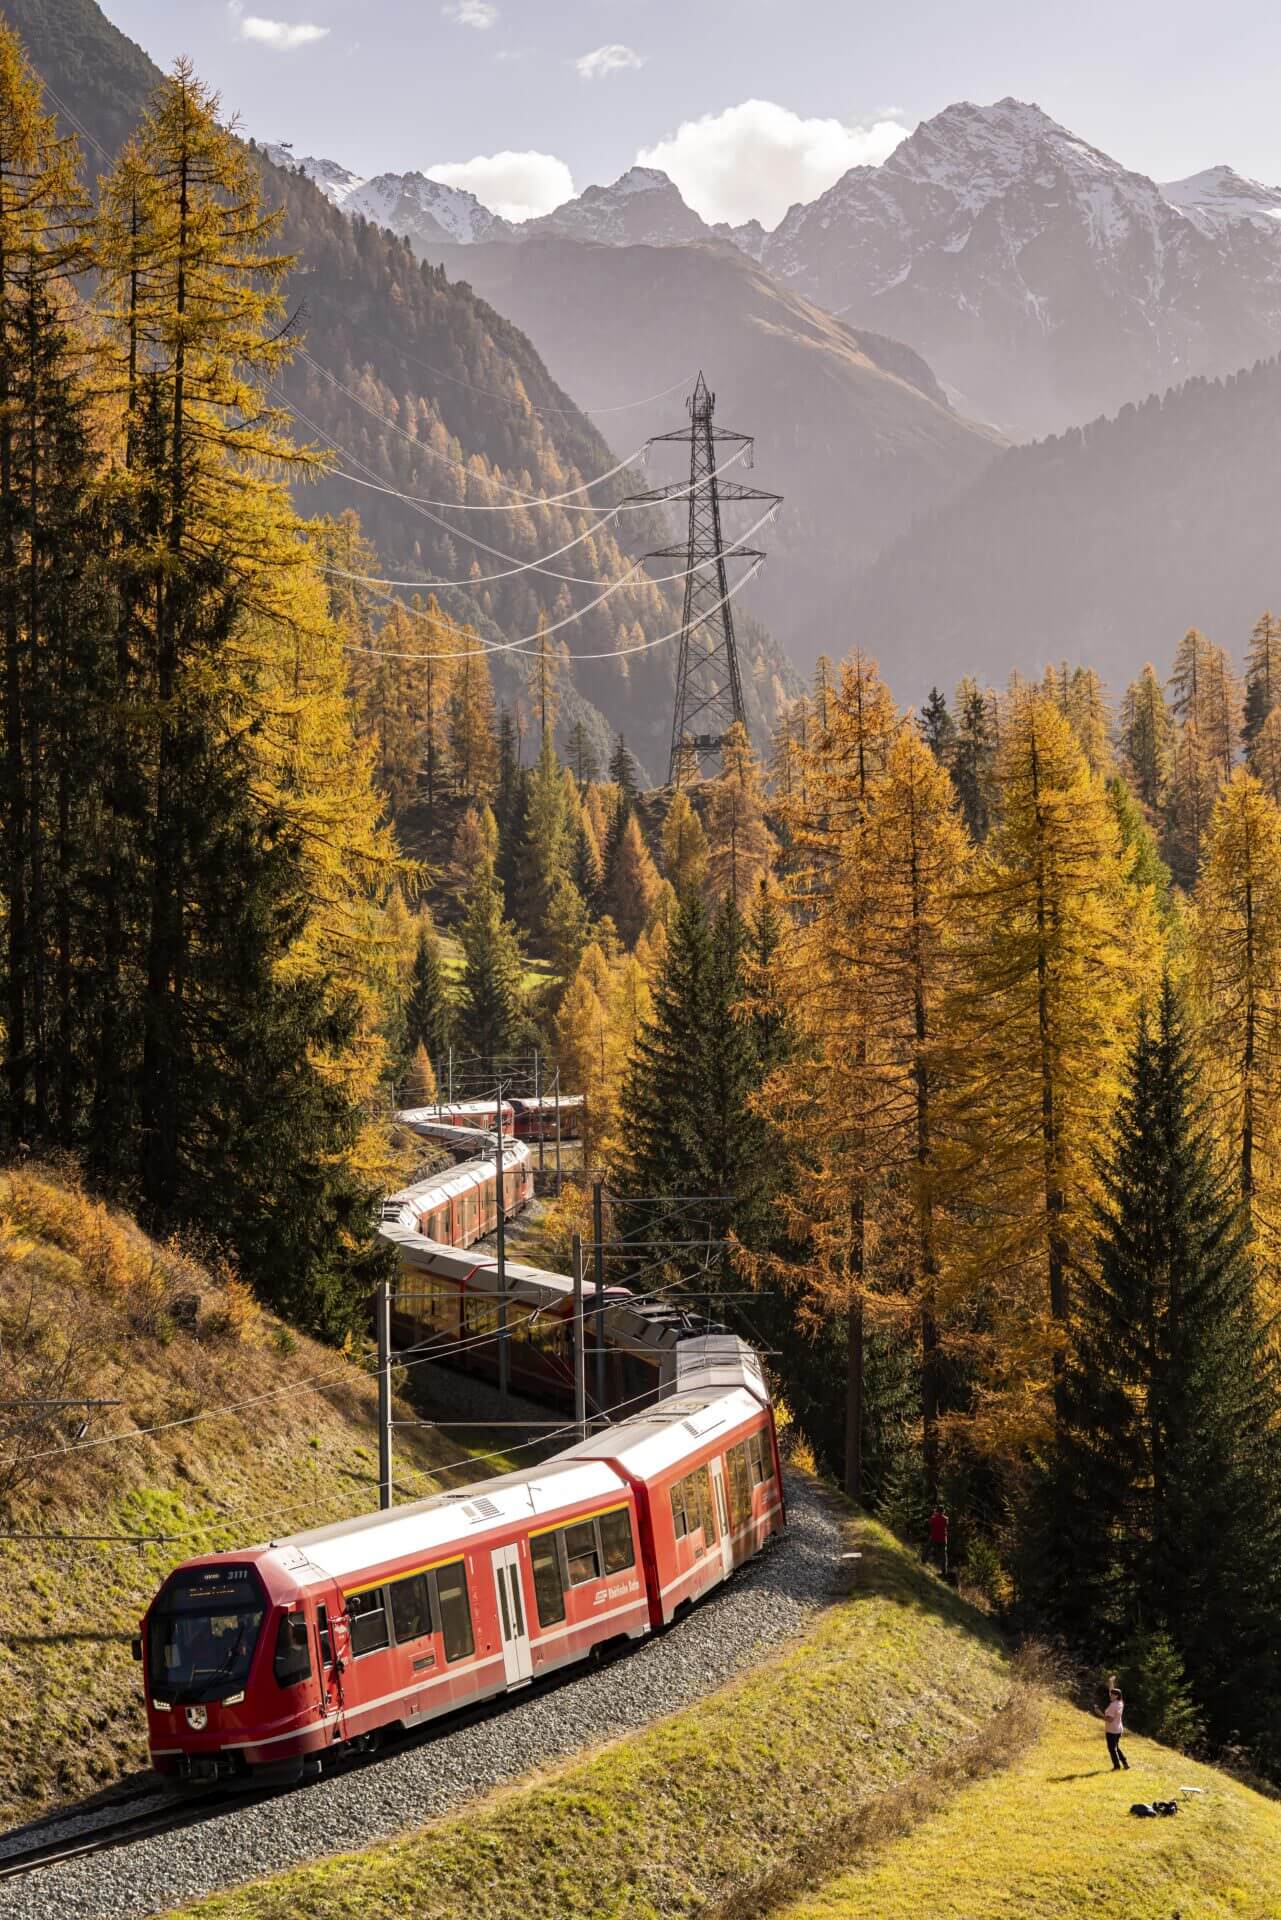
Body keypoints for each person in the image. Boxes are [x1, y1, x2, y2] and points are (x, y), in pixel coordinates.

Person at [1104, 1687, 1129, 1771]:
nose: (1110, 1695)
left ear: (1116, 1696)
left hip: (1111, 1730)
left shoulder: (1113, 1705)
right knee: (1116, 1747)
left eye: (1112, 1694)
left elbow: (1110, 1719)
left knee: (1112, 1749)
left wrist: (1099, 1714)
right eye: (1111, 1694)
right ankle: (1125, 1763)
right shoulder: (1120, 1703)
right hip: (1118, 1729)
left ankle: (1117, 1767)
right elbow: (1111, 1691)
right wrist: (1111, 1682)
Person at [926, 1503, 949, 1574]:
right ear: (943, 1511)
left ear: (937, 1511)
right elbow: (946, 1525)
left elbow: (930, 1523)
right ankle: (944, 1570)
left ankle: (924, 1560)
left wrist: (934, 1515)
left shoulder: (934, 1518)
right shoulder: (946, 1519)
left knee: (927, 1548)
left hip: (934, 1537)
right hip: (942, 1538)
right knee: (944, 1555)